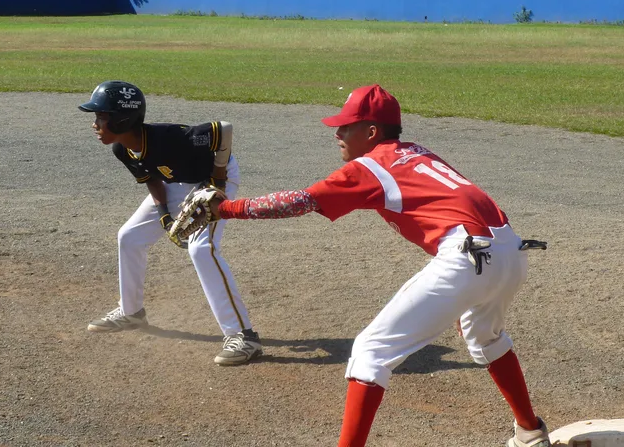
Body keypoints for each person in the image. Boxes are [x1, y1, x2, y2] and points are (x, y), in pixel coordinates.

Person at [176, 84, 551, 446]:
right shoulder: (416, 152)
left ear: (372, 132)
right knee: (487, 339)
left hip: (467, 256)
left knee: (370, 352)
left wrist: (225, 208)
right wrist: (466, 289)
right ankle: (529, 432)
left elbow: (300, 201)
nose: (337, 133)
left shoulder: (372, 166)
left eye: (346, 126)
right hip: (509, 250)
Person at [80, 80, 263, 366]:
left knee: (201, 249)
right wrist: (165, 215)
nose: (95, 124)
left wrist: (217, 183)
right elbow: (152, 179)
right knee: (129, 236)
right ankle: (131, 312)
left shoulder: (168, 138)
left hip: (214, 180)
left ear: (122, 120)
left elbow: (223, 130)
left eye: (101, 117)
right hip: (175, 183)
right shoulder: (123, 149)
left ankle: (243, 336)